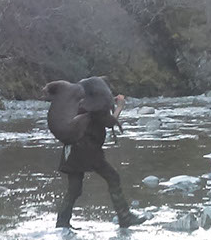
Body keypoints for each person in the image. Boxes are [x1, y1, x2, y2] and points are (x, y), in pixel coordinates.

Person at [55, 92, 147, 229]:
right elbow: (110, 122)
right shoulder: (96, 106)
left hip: (72, 150)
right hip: (88, 151)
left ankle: (62, 223)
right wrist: (120, 106)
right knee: (113, 177)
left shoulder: (79, 103)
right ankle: (125, 217)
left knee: (74, 189)